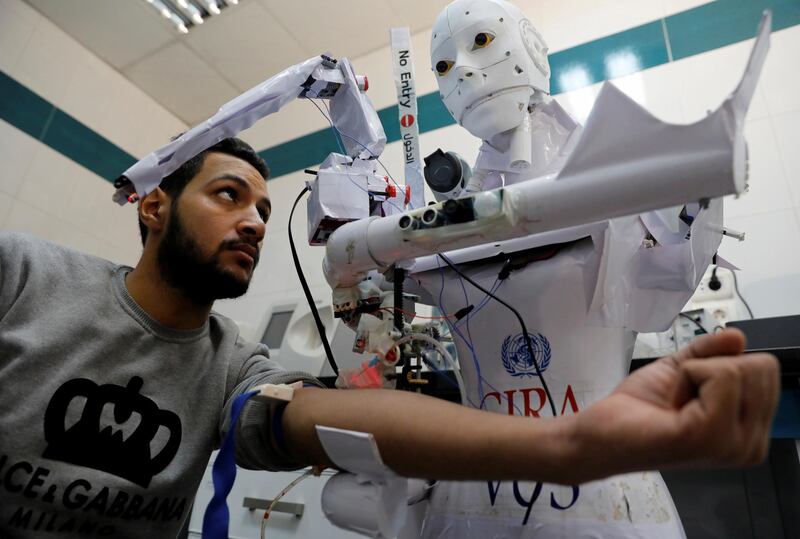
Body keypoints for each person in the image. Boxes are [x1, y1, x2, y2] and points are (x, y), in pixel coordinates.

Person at [0, 138, 779, 538]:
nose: (253, 223)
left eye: (266, 212)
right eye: (229, 196)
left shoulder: (232, 367)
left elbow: (313, 415)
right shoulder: (25, 276)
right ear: (153, 207)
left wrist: (568, 444)